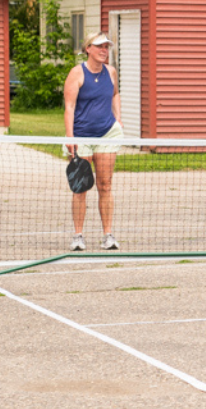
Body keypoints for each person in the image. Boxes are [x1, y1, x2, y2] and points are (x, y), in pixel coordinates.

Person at [63, 32, 124, 251]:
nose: (104, 50)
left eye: (106, 47)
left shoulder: (111, 72)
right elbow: (69, 107)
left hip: (107, 133)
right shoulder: (76, 73)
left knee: (105, 185)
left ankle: (108, 235)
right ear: (87, 48)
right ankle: (78, 236)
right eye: (99, 46)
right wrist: (70, 137)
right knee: (80, 187)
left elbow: (115, 93)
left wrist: (118, 117)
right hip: (81, 135)